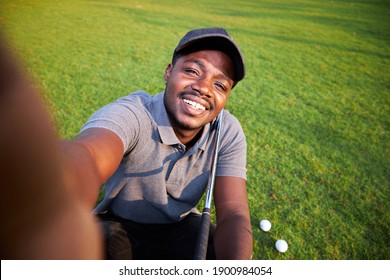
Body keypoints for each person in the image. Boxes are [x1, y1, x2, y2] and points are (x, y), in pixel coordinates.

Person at [0, 27, 253, 260]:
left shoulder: (226, 130)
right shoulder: (133, 113)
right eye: (192, 71)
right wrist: (51, 192)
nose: (204, 88)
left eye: (219, 84)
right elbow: (87, 155)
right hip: (120, 224)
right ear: (168, 72)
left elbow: (233, 213)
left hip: (181, 224)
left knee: (214, 249)